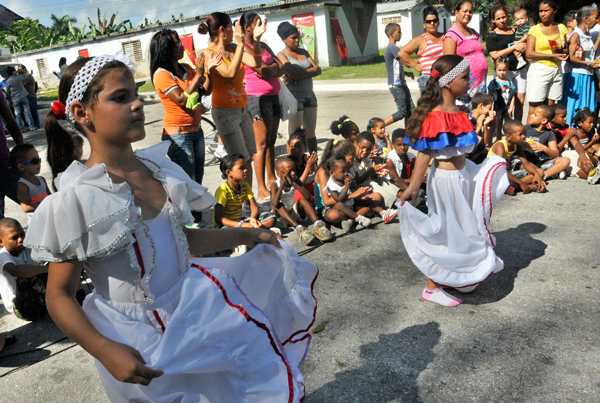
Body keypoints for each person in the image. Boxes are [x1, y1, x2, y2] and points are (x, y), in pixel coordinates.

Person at [24, 54, 317, 402]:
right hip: (137, 337)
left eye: (135, 94)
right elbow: (59, 295)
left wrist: (246, 233)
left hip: (195, 309)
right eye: (120, 98)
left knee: (236, 384)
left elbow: (179, 238)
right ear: (81, 113)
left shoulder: (157, 169)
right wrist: (104, 349)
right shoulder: (77, 197)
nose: (136, 104)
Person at [399, 55, 510, 307]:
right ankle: (431, 286)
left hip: (461, 176)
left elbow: (467, 148)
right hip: (446, 181)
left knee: (462, 229)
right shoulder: (437, 115)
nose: (469, 80)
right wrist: (414, 187)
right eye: (464, 77)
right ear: (448, 83)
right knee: (447, 231)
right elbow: (425, 153)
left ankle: (454, 276)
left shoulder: (458, 111)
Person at [199, 13, 264, 187]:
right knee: (239, 162)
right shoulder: (208, 53)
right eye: (231, 27)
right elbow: (229, 73)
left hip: (243, 110)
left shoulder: (233, 48)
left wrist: (256, 40)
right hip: (225, 114)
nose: (234, 31)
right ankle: (241, 204)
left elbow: (256, 62)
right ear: (222, 30)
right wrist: (242, 43)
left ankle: (248, 202)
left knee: (248, 158)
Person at [150, 28, 220, 186]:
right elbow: (181, 99)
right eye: (178, 43)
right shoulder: (162, 75)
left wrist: (210, 72)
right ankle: (191, 212)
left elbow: (206, 90)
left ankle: (196, 212)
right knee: (189, 184)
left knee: (198, 180)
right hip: (178, 136)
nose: (182, 46)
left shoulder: (186, 69)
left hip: (196, 131)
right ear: (167, 49)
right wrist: (197, 75)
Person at [241, 13, 284, 200]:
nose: (262, 25)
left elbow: (280, 66)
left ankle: (271, 177)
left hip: (273, 95)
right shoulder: (243, 47)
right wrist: (270, 70)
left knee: (272, 140)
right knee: (261, 144)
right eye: (258, 22)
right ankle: (260, 187)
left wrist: (271, 70)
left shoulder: (263, 46)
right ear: (247, 28)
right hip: (256, 98)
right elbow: (261, 69)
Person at [277, 21, 321, 154]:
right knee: (294, 135)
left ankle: (314, 163)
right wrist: (309, 71)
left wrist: (300, 75)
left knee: (311, 133)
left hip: (310, 97)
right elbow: (293, 72)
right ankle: (293, 163)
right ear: (284, 39)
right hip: (295, 99)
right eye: (293, 38)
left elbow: (318, 70)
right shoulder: (281, 55)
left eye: (298, 37)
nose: (297, 40)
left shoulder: (303, 51)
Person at [271, 157, 333, 245]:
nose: (293, 174)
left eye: (294, 170)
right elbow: (274, 203)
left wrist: (294, 183)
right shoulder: (275, 185)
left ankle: (317, 224)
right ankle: (299, 229)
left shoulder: (295, 181)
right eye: (289, 172)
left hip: (293, 212)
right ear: (279, 174)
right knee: (279, 205)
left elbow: (308, 198)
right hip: (280, 218)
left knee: (302, 198)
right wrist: (281, 185)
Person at [525, 0, 568, 122]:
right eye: (540, 11)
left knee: (550, 109)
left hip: (556, 70)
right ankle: (529, 138)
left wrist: (560, 50)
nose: (543, 14)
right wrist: (552, 56)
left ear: (555, 10)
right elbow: (529, 53)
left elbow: (566, 50)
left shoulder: (561, 28)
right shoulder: (535, 29)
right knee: (534, 109)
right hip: (539, 69)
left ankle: (547, 137)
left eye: (546, 10)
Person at [0, 218, 49, 321]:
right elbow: (17, 271)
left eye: (22, 234)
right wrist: (49, 269)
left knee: (60, 264)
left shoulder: (26, 247)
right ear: (1, 242)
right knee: (27, 279)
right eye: (14, 238)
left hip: (36, 296)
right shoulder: (3, 256)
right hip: (22, 308)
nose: (20, 239)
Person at [486, 5, 528, 122]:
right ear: (493, 20)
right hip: (503, 72)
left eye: (503, 17)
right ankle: (500, 127)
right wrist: (514, 46)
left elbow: (525, 44)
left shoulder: (516, 30)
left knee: (520, 101)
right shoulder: (492, 34)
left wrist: (523, 49)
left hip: (520, 70)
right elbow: (494, 54)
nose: (502, 20)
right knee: (501, 102)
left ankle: (517, 126)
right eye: (498, 18)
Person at [213, 153, 277, 230]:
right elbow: (218, 218)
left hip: (240, 222)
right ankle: (256, 231)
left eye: (245, 167)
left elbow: (254, 207)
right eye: (241, 168)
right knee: (226, 231)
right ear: (229, 172)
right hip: (227, 226)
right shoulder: (222, 191)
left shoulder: (245, 186)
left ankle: (255, 229)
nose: (246, 170)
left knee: (270, 216)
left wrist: (252, 218)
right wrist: (239, 224)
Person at [443, 1, 488, 106]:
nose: (468, 14)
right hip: (465, 86)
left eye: (470, 12)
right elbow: (448, 64)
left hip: (480, 84)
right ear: (457, 12)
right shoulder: (451, 35)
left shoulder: (473, 32)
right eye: (465, 11)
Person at [562, 5, 600, 126]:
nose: (597, 20)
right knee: (575, 104)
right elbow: (571, 57)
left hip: (588, 75)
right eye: (596, 17)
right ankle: (570, 130)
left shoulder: (587, 35)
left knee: (587, 104)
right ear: (586, 19)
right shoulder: (576, 35)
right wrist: (588, 63)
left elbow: (591, 53)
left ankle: (584, 132)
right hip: (577, 75)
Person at [487, 119, 546, 195]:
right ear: (508, 136)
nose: (524, 136)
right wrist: (521, 183)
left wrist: (537, 175)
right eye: (520, 134)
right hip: (495, 174)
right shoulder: (500, 146)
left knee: (540, 171)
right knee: (507, 180)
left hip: (507, 173)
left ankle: (511, 187)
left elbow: (526, 163)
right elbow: (500, 169)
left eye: (524, 133)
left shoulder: (517, 145)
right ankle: (530, 187)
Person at [349, 131, 400, 212]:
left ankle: (401, 197)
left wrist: (376, 173)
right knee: (371, 183)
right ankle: (396, 202)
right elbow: (353, 184)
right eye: (362, 147)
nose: (365, 151)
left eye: (368, 149)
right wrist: (370, 173)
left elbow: (370, 173)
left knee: (381, 179)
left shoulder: (365, 158)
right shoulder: (350, 161)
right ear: (355, 143)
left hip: (365, 183)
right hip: (357, 191)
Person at [398, 6, 444, 92]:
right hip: (427, 79)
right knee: (430, 105)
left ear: (438, 22)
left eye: (435, 20)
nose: (432, 23)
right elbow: (402, 53)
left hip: (444, 78)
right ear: (424, 24)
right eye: (428, 22)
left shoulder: (445, 37)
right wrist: (415, 65)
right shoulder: (420, 39)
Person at [547, 104, 597, 182]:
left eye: (565, 116)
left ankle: (591, 172)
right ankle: (592, 174)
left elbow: (576, 144)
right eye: (563, 116)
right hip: (551, 157)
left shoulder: (567, 128)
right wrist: (566, 138)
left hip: (563, 155)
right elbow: (555, 151)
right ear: (553, 118)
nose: (566, 118)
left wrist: (582, 155)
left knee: (577, 154)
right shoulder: (546, 129)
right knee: (571, 166)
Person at [523, 105, 570, 179]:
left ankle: (543, 175)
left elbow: (556, 154)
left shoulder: (549, 134)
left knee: (565, 160)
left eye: (535, 115)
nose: (531, 115)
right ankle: (549, 173)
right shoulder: (525, 129)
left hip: (541, 162)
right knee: (525, 165)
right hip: (526, 161)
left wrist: (544, 148)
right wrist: (522, 144)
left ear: (544, 120)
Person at [382, 23, 415, 127]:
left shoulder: (392, 48)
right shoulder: (393, 48)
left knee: (411, 110)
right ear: (391, 34)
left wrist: (406, 73)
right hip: (396, 86)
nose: (401, 34)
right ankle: (378, 126)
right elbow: (406, 61)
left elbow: (395, 68)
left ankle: (407, 134)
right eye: (399, 32)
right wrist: (421, 62)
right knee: (402, 112)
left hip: (401, 83)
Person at [9, 144, 49, 223]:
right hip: (37, 222)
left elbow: (49, 196)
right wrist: (45, 205)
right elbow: (26, 207)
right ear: (21, 167)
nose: (39, 163)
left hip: (48, 216)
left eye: (39, 159)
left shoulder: (41, 179)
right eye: (34, 161)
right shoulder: (23, 185)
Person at [0, 88, 23, 220]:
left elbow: (10, 121)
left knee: (39, 204)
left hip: (5, 163)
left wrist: (22, 151)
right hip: (5, 163)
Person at [487, 57, 515, 142]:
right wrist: (489, 109)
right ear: (495, 70)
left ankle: (507, 142)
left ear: (507, 69)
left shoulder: (509, 82)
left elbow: (512, 95)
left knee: (507, 127)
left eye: (504, 70)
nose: (501, 72)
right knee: (497, 127)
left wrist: (511, 108)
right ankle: (496, 142)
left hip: (507, 108)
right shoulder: (493, 83)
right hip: (497, 108)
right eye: (499, 70)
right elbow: (489, 97)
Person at [287, 129, 318, 199]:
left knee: (318, 185)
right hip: (293, 191)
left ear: (305, 146)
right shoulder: (289, 162)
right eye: (293, 147)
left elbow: (319, 174)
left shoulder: (305, 158)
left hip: (304, 187)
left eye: (299, 147)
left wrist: (313, 167)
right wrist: (308, 167)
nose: (296, 150)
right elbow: (298, 185)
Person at [5, 66, 36, 132]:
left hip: (15, 99)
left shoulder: (8, 82)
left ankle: (20, 128)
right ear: (13, 71)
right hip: (23, 96)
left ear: (7, 74)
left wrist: (10, 100)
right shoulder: (19, 77)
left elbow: (7, 92)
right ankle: (31, 126)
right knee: (27, 112)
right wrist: (18, 72)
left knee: (17, 114)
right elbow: (25, 73)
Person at [467, 93, 496, 163]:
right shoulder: (471, 121)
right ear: (481, 106)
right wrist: (480, 127)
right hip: (469, 156)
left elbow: (494, 126)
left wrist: (493, 116)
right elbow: (482, 142)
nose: (489, 111)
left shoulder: (479, 120)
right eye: (489, 108)